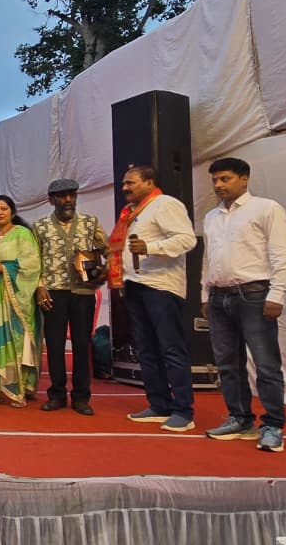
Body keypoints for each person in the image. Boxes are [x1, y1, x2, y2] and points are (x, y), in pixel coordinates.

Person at [201, 157, 286, 452]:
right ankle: (240, 419)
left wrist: (277, 294)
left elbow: (281, 254)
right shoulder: (212, 216)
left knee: (266, 365)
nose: (218, 185)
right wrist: (205, 294)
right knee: (228, 364)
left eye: (225, 179)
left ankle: (273, 425)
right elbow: (208, 258)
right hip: (218, 297)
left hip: (254, 295)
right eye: (215, 180)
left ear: (244, 179)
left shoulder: (266, 208)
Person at [114, 166, 198, 432]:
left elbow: (187, 240)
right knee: (146, 349)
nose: (125, 188)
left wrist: (150, 247)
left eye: (131, 183)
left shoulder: (165, 204)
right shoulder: (130, 212)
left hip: (161, 287)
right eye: (124, 183)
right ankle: (159, 404)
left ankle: (183, 410)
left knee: (171, 349)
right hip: (135, 285)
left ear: (149, 182)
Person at [32, 178, 109, 416]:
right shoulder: (40, 226)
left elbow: (108, 249)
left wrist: (105, 270)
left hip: (83, 292)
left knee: (81, 345)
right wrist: (39, 287)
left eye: (72, 195)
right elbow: (35, 260)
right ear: (51, 199)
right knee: (54, 345)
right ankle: (56, 395)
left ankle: (81, 397)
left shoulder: (90, 223)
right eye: (62, 196)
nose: (68, 200)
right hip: (53, 292)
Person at [0, 195, 42, 408]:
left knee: (19, 342)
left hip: (18, 297)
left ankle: (20, 389)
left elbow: (32, 265)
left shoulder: (22, 234)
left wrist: (3, 268)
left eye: (4, 209)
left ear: (12, 212)